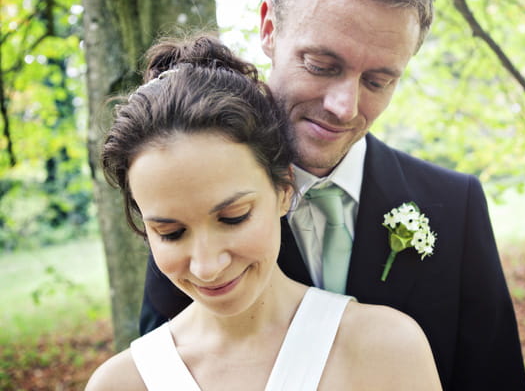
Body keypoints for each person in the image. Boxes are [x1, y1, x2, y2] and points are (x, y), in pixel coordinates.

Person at [140, 0, 525, 390]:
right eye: (321, 66)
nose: (344, 107)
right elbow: (163, 368)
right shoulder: (188, 199)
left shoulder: (455, 205)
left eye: (378, 81)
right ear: (269, 29)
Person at [85, 35, 442, 390]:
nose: (207, 267)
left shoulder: (387, 351)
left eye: (233, 217)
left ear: (285, 188)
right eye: (171, 233)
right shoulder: (120, 383)